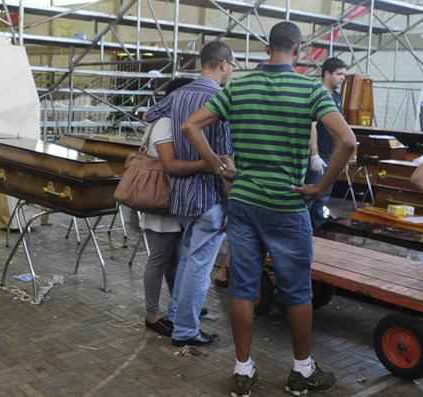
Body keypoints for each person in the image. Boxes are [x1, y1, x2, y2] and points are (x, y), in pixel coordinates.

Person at [181, 22, 357, 397]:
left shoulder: (239, 86)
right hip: (288, 204)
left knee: (243, 289)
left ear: (267, 48)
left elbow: (191, 125)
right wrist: (321, 187)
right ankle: (302, 371)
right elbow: (347, 140)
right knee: (296, 291)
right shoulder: (310, 88)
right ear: (299, 49)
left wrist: (217, 165)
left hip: (243, 202)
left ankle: (243, 371)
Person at [145, 40, 235, 347]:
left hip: (181, 196)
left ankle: (176, 314)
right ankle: (185, 330)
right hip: (209, 196)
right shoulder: (220, 99)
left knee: (186, 261)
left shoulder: (178, 95)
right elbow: (224, 156)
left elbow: (149, 114)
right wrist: (229, 193)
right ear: (223, 63)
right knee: (199, 266)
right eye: (232, 66)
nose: (232, 71)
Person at [141, 78, 211, 336]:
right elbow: (170, 164)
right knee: (159, 258)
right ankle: (152, 314)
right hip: (161, 199)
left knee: (174, 259)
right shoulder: (165, 123)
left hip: (172, 199)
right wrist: (207, 163)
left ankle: (180, 305)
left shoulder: (171, 120)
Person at [306, 57, 347, 231]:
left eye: (344, 74)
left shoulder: (336, 96)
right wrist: (314, 154)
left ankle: (316, 230)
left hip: (331, 154)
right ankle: (303, 231)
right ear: (327, 74)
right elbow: (312, 125)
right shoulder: (317, 93)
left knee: (323, 196)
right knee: (310, 195)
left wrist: (341, 156)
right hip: (319, 154)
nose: (343, 78)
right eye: (339, 74)